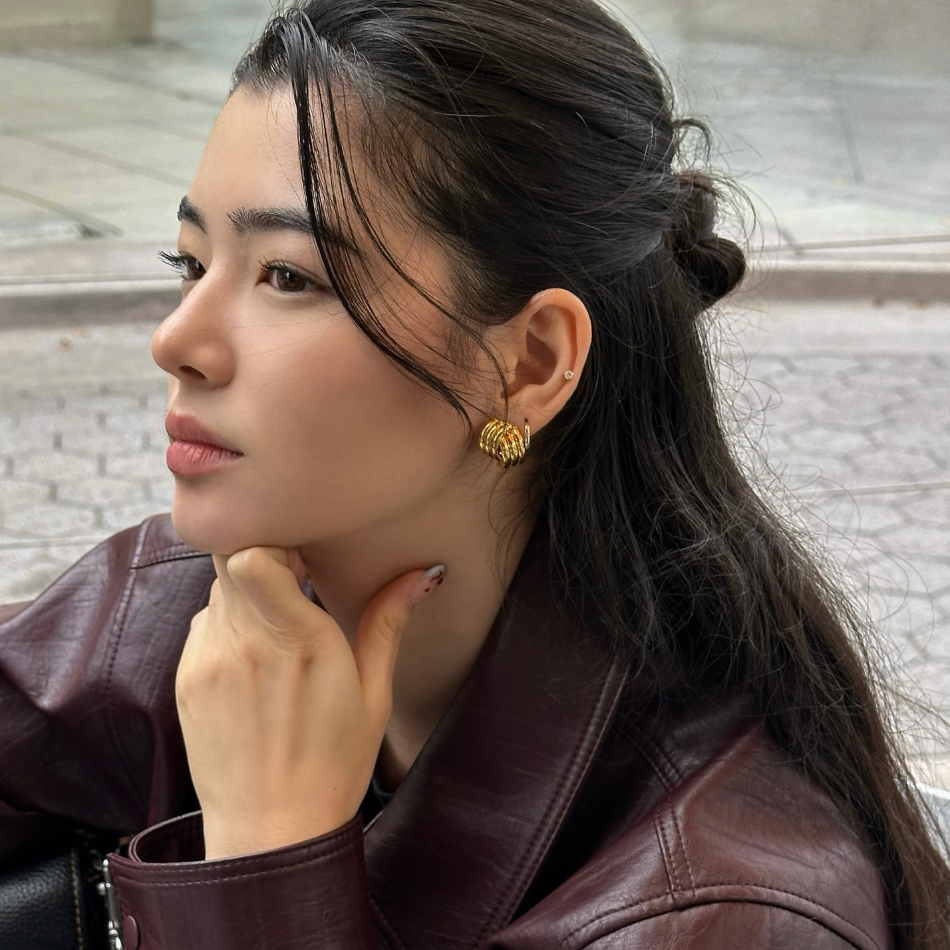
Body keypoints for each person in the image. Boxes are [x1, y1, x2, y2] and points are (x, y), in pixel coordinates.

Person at [1, 0, 948, 947]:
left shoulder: (719, 910)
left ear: (531, 364)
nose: (177, 340)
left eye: (289, 277)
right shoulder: (193, 621)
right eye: (190, 260)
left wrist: (263, 859)